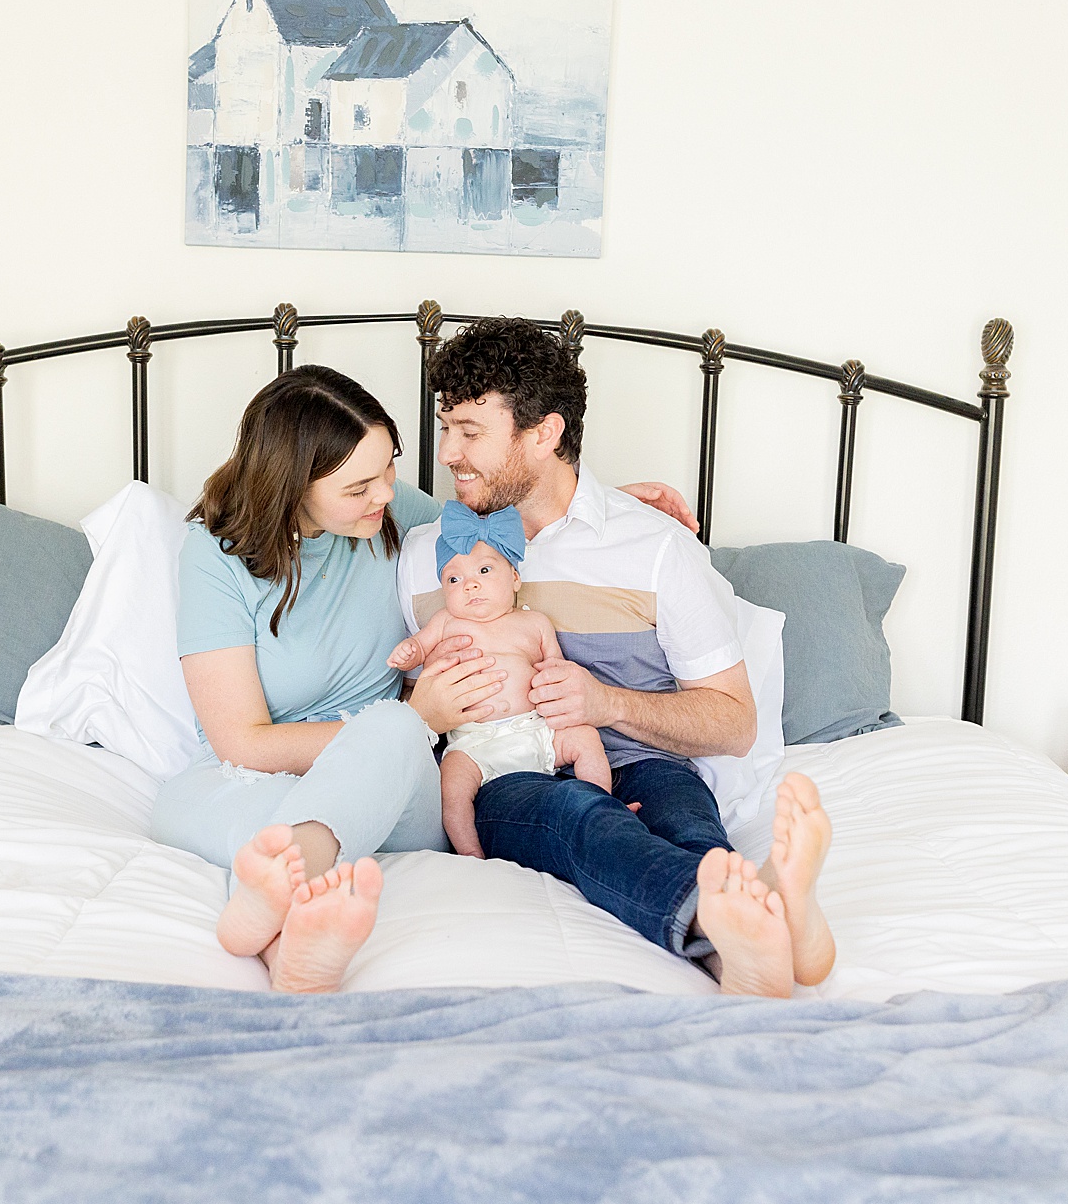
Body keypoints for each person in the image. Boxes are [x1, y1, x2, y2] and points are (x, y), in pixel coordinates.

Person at [150, 363, 699, 994]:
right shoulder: (214, 554)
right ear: (290, 486)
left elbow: (495, 525)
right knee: (228, 811)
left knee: (383, 731)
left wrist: (616, 504)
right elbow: (240, 744)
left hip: (397, 776)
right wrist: (424, 719)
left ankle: (269, 902)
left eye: (388, 468)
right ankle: (291, 948)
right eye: (358, 487)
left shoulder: (386, 513)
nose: (384, 494)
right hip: (247, 776)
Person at [396, 317, 838, 997]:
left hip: (644, 759)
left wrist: (607, 704)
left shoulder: (655, 547)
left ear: (543, 434)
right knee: (578, 816)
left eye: (470, 432)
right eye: (444, 425)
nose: (449, 451)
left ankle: (746, 944)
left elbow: (733, 723)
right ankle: (766, 910)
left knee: (687, 822)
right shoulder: (425, 554)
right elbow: (335, 488)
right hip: (508, 771)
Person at [387, 503, 612, 858]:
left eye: (485, 569)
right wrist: (408, 652)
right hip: (475, 743)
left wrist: (554, 680)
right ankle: (470, 853)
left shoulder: (535, 623)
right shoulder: (447, 621)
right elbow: (419, 646)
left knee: (586, 739)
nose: (470, 584)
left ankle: (604, 809)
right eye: (454, 579)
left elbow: (557, 666)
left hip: (536, 730)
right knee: (451, 783)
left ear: (515, 578)